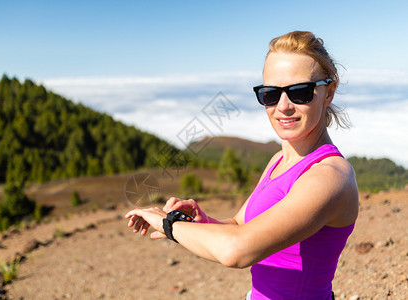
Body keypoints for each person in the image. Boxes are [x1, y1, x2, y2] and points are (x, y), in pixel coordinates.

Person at [125, 30, 359, 299]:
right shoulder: (279, 160)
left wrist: (169, 225)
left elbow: (236, 251)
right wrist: (202, 223)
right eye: (270, 94)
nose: (283, 106)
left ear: (328, 93)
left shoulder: (330, 177)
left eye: (300, 92)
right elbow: (239, 225)